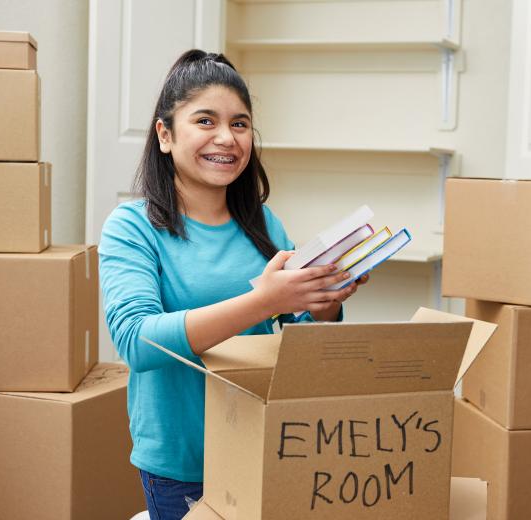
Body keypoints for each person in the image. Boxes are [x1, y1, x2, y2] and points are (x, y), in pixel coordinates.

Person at [98, 49, 366, 520]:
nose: (227, 137)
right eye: (206, 120)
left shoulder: (262, 223)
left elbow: (296, 334)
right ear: (165, 134)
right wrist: (263, 301)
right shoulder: (132, 227)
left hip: (269, 444)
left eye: (240, 124)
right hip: (183, 463)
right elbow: (137, 342)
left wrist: (323, 304)